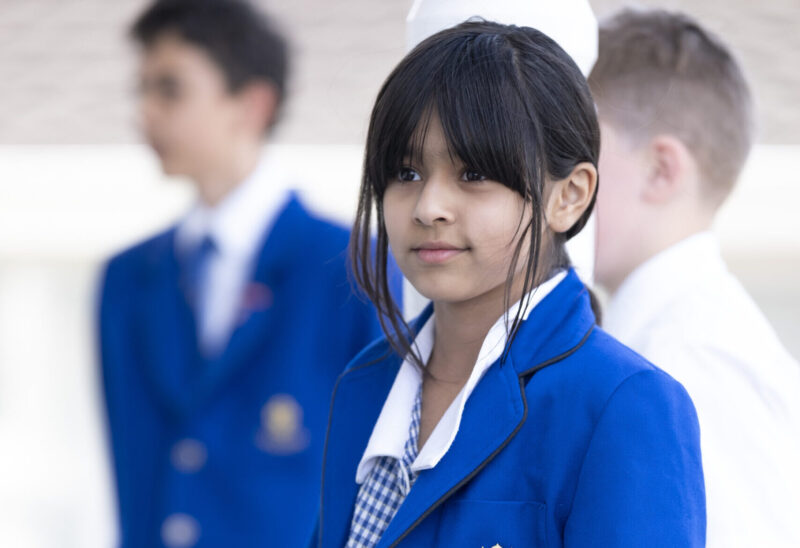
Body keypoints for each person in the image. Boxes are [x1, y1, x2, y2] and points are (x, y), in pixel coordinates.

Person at [313, 21, 705, 548]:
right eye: (405, 173)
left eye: (473, 174)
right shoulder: (365, 382)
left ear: (569, 195)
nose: (429, 207)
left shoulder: (622, 403)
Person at [97, 1, 397, 547]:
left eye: (170, 89)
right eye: (140, 89)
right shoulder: (125, 281)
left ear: (252, 104)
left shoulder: (352, 268)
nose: (146, 112)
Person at [588, 8, 800, 547]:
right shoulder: (676, 342)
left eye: (578, 151)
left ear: (662, 169)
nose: (555, 181)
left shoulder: (689, 361)